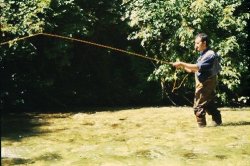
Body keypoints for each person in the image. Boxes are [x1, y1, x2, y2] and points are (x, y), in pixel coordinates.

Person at [172, 33, 222, 127]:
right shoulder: (203, 54)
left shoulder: (210, 54)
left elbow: (198, 67)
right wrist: (182, 66)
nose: (195, 46)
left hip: (206, 83)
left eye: (197, 43)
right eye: (195, 43)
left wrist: (182, 62)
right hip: (205, 82)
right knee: (208, 104)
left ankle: (202, 130)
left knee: (198, 107)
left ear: (204, 43)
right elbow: (193, 69)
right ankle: (217, 123)